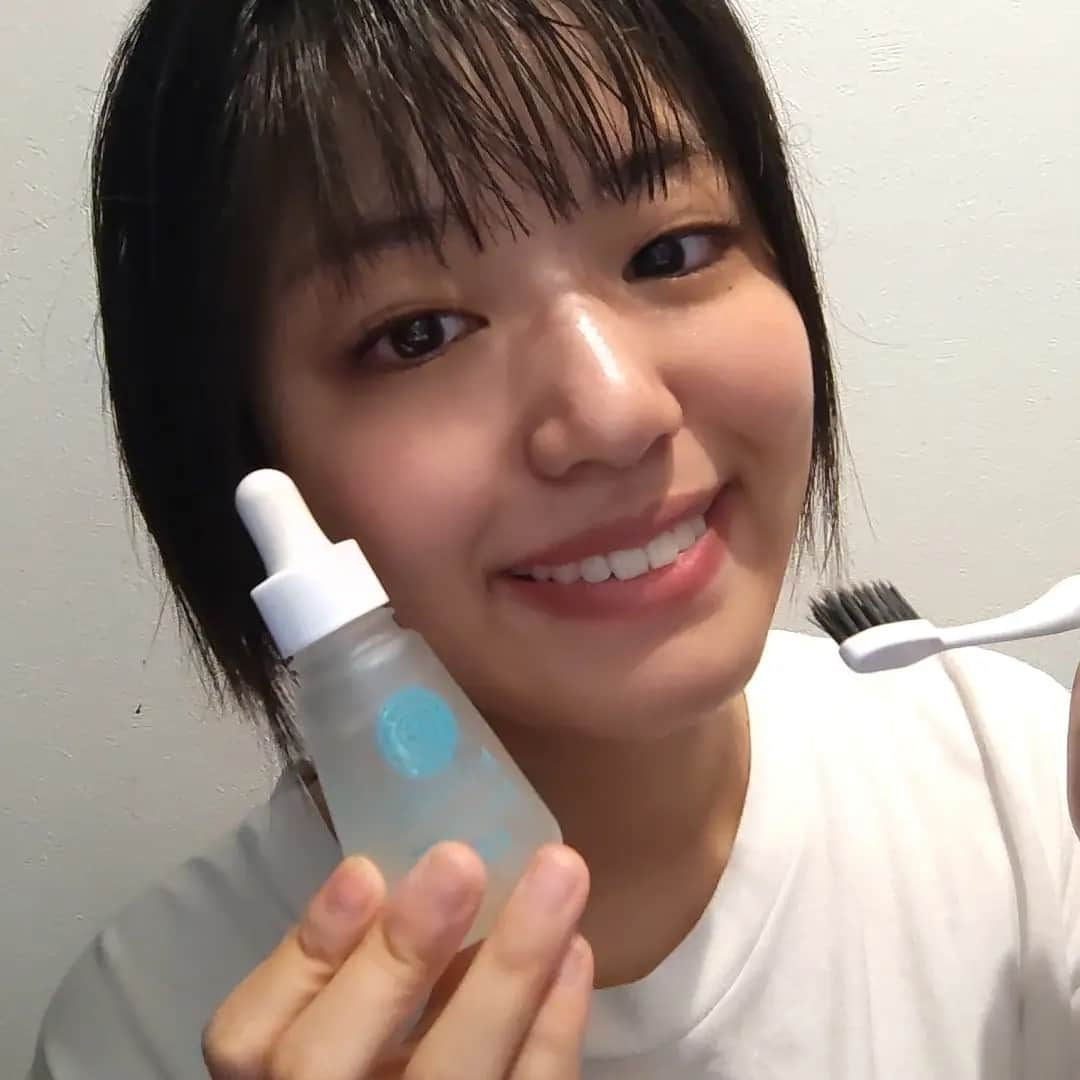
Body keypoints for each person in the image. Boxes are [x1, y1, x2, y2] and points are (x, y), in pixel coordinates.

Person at [29, 0, 1080, 1077]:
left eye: (670, 250)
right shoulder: (140, 1026)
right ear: (242, 449)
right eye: (418, 335)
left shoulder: (1018, 785)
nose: (616, 410)